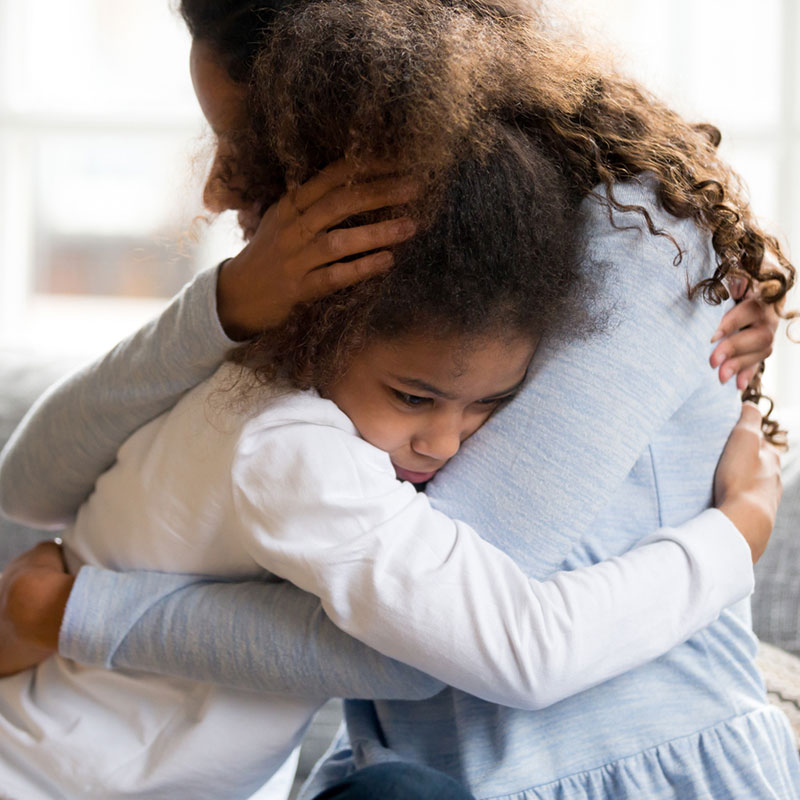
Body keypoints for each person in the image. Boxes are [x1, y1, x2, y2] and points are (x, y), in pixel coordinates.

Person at [0, 1, 797, 798]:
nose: (214, 189)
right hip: (409, 769)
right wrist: (228, 303)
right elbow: (29, 484)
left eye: (241, 140)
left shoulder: (643, 239)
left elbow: (439, 641)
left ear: (350, 92)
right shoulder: (360, 298)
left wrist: (76, 612)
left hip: (617, 773)